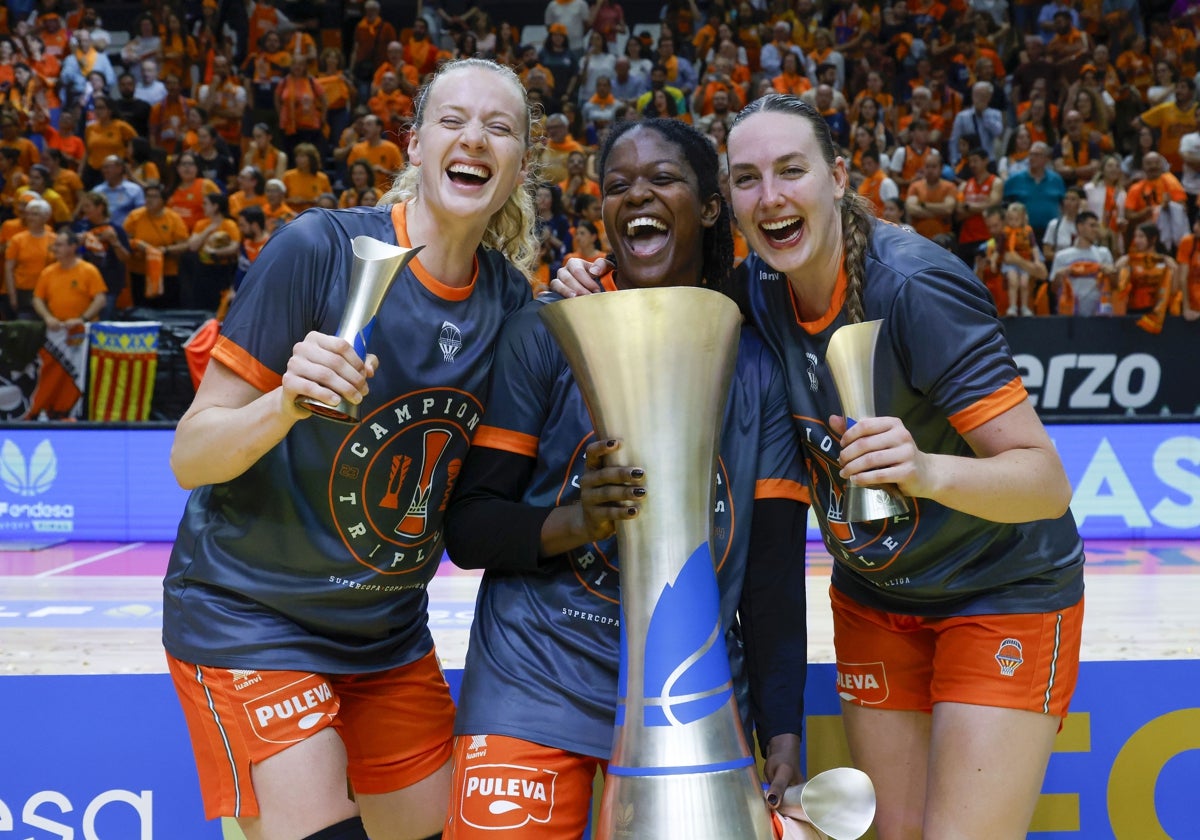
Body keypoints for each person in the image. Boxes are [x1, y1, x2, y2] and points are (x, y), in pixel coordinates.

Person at [554, 94, 1084, 840]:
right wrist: (592, 287)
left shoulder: (915, 289)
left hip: (1001, 589)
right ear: (727, 201)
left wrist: (924, 470)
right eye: (746, 179)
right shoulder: (757, 292)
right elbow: (662, 302)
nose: (770, 197)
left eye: (791, 171)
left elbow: (1044, 482)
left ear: (838, 176)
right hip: (874, 598)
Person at [162, 57, 539, 840]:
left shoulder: (509, 301)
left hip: (388, 634)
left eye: (499, 127)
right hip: (251, 616)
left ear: (519, 165)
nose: (475, 137)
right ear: (414, 144)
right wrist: (285, 404)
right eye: (453, 120)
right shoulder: (319, 249)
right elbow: (190, 456)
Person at [443, 117, 810, 839]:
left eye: (663, 179)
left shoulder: (759, 365)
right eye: (617, 186)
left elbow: (769, 573)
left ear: (709, 207)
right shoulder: (545, 333)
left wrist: (784, 729)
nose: (636, 194)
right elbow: (471, 525)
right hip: (535, 681)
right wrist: (572, 521)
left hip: (692, 698)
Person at [32, 229, 106, 329]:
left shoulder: (89, 270)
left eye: (59, 245)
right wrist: (48, 317)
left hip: (84, 328)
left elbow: (100, 299)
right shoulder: (47, 272)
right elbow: (37, 299)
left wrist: (82, 319)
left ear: (72, 247)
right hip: (57, 329)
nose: (54, 248)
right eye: (55, 245)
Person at [1049, 210, 1117, 316]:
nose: (1096, 230)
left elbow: (1115, 286)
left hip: (1098, 314)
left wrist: (1111, 273)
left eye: (1097, 226)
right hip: (1070, 314)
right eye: (1092, 226)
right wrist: (1058, 276)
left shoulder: (1104, 253)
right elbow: (1053, 290)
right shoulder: (1062, 256)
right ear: (1080, 227)